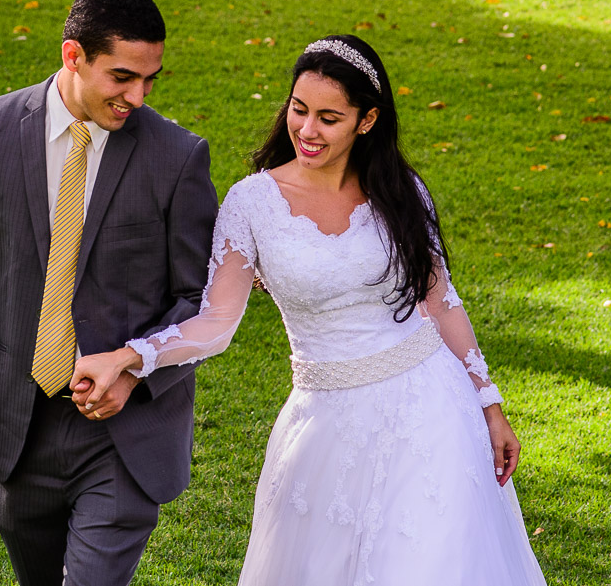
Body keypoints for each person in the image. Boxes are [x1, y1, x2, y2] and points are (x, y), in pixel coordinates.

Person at [72, 35, 547, 584]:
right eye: (299, 110)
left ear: (365, 122)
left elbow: (440, 303)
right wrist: (128, 357)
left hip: (432, 410)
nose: (307, 130)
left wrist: (489, 405)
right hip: (325, 425)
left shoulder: (401, 192)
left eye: (329, 117)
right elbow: (216, 324)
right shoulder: (252, 203)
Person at [0, 0, 217, 585]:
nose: (138, 95)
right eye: (122, 77)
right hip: (19, 425)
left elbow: (199, 301)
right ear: (73, 56)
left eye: (150, 80)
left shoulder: (177, 157)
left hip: (124, 434)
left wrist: (134, 370)